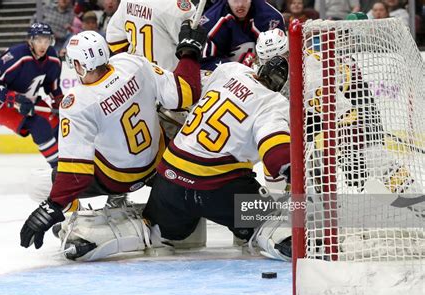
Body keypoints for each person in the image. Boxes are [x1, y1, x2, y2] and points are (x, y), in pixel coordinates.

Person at [19, 25, 207, 258]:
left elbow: (75, 174)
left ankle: (87, 219)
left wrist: (52, 207)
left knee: (37, 182)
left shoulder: (77, 102)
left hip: (116, 179)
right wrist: (190, 53)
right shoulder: (134, 64)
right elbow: (185, 92)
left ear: (78, 65)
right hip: (160, 164)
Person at [143, 55, 292, 261]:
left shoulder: (231, 70)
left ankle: (120, 230)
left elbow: (191, 91)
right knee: (278, 219)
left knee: (158, 234)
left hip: (169, 184)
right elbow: (277, 157)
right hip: (220, 193)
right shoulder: (275, 103)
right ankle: (271, 235)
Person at [0, 23, 62, 167]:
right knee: (39, 125)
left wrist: (60, 103)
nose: (43, 45)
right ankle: (58, 169)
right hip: (2, 105)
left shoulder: (53, 59)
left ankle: (70, 166)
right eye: (39, 40)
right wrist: (14, 99)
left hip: (31, 100)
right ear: (30, 41)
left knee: (60, 127)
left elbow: (52, 85)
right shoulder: (16, 56)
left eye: (46, 41)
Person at [106, 0, 196, 72]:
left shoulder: (127, 2)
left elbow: (114, 40)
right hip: (169, 81)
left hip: (138, 75)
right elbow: (198, 48)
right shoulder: (176, 7)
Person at [200, 0, 285, 71]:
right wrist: (236, 70)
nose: (240, 5)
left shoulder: (271, 18)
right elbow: (203, 63)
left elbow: (281, 60)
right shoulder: (211, 21)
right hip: (225, 80)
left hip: (261, 76)